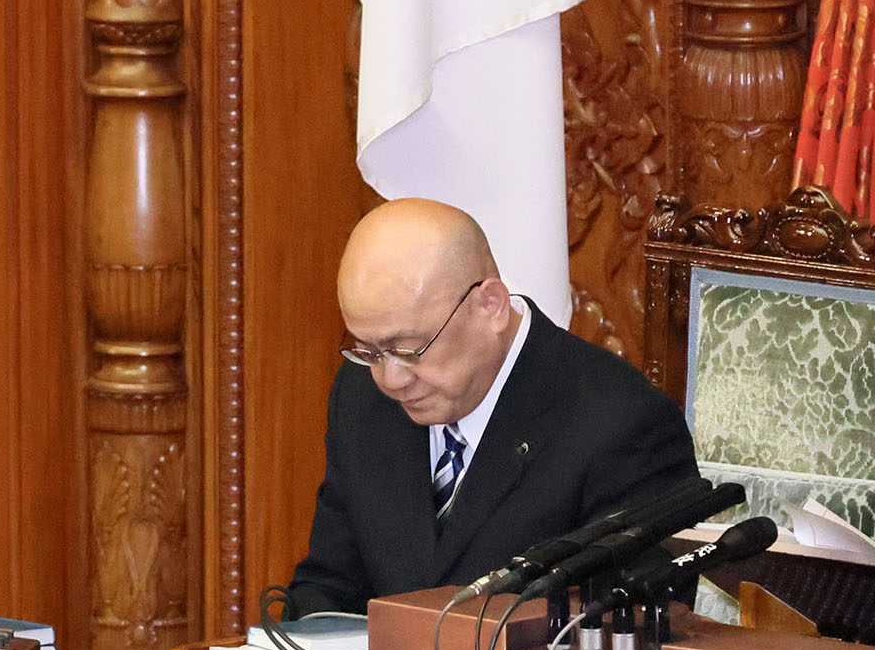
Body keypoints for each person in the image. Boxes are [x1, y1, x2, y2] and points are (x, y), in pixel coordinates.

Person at [281, 198, 700, 618]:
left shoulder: (622, 424)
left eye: (410, 350)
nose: (391, 380)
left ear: (491, 306)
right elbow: (331, 583)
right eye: (368, 350)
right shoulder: (360, 398)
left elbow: (632, 624)